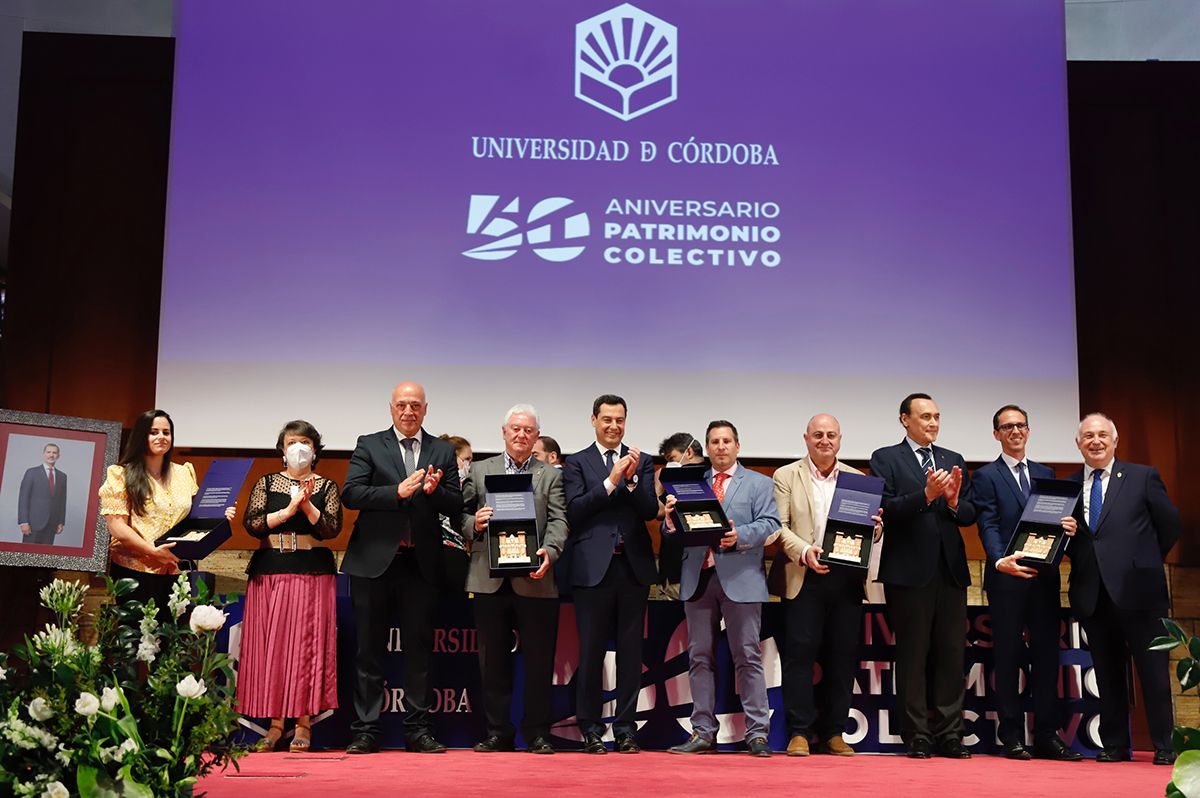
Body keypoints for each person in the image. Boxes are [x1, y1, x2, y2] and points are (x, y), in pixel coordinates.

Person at [340, 382, 463, 755]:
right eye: (401, 405)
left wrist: (433, 492)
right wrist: (398, 492)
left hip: (421, 563)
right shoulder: (370, 444)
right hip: (374, 562)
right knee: (368, 651)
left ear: (425, 410)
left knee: (419, 651)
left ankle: (418, 730)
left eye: (415, 406)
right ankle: (366, 730)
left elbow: (456, 503)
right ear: (391, 409)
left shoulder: (441, 450)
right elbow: (351, 493)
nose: (408, 412)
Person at [1067, 413, 1180, 765]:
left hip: (1139, 592)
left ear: (1115, 441)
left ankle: (1165, 745)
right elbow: (1082, 543)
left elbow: (1169, 524)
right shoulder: (1069, 486)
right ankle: (1115, 744)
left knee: (1153, 674)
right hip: (1093, 593)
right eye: (1088, 436)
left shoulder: (1142, 476)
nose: (1096, 441)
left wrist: (1144, 560)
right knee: (1107, 673)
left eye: (1103, 435)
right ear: (1078, 444)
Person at [869, 393, 976, 759]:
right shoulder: (886, 458)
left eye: (936, 417)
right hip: (909, 573)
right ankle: (916, 734)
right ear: (905, 420)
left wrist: (953, 502)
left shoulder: (953, 459)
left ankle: (950, 734)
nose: (932, 423)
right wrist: (927, 495)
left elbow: (969, 513)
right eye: (925, 416)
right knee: (913, 656)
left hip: (949, 572)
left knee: (951, 654)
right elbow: (885, 508)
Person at [972, 405, 1081, 761]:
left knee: (1047, 658)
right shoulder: (986, 476)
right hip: (1006, 578)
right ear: (996, 435)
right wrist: (998, 559)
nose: (1015, 431)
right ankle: (1013, 736)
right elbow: (987, 522)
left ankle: (1048, 735)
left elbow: (1053, 524)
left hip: (1044, 578)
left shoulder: (1045, 473)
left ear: (1028, 431)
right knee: (1007, 657)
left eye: (1020, 425)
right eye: (1007, 427)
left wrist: (1067, 531)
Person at [664, 421, 779, 757]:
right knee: (699, 657)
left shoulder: (759, 483)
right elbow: (673, 529)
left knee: (748, 656)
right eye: (714, 442)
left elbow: (771, 524)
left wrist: (739, 535)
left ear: (738, 446)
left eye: (726, 441)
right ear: (706, 447)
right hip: (698, 577)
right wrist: (670, 520)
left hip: (741, 578)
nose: (720, 447)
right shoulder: (689, 483)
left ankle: (757, 734)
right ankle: (702, 732)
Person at [772, 414, 882, 757]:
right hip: (802, 576)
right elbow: (778, 526)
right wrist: (805, 551)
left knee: (841, 658)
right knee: (799, 657)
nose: (824, 440)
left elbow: (867, 530)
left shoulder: (857, 479)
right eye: (817, 434)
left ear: (840, 439)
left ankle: (834, 732)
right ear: (806, 438)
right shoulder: (786, 475)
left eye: (831, 435)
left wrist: (874, 530)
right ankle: (800, 732)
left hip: (846, 580)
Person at [462, 404, 568, 754]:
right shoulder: (479, 471)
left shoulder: (549, 475)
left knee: (539, 660)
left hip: (535, 577)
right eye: (515, 429)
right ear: (504, 432)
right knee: (492, 662)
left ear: (537, 436)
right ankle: (498, 732)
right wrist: (473, 524)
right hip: (488, 579)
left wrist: (550, 551)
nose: (521, 435)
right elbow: (458, 515)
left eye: (528, 430)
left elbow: (559, 521)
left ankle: (538, 733)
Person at [238, 420, 343, 753]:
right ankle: (274, 724)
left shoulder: (326, 486)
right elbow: (252, 525)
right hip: (271, 570)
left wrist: (307, 503)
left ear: (315, 450)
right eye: (292, 442)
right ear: (282, 450)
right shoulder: (267, 483)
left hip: (310, 571)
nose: (299, 447)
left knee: (305, 648)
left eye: (306, 442)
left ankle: (303, 722)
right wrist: (287, 509)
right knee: (274, 649)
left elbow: (332, 529)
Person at [562, 394, 658, 753]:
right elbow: (574, 511)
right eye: (607, 420)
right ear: (593, 420)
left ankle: (626, 728)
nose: (614, 426)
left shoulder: (642, 461)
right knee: (591, 652)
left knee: (632, 654)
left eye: (620, 420)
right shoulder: (577, 463)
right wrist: (610, 482)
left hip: (632, 568)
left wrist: (631, 481)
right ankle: (589, 726)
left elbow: (650, 510)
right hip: (592, 570)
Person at [98, 409, 236, 616]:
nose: (161, 437)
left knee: (170, 637)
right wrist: (152, 551)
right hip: (135, 569)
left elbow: (194, 518)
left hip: (174, 568)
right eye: (154, 432)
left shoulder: (184, 472)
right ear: (141, 436)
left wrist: (218, 515)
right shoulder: (121, 474)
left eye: (166, 432)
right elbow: (116, 526)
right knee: (139, 639)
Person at [655, 432, 704, 598]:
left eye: (672, 458)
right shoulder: (710, 476)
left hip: (683, 571)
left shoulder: (696, 479)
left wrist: (658, 486)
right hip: (673, 569)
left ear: (688, 453)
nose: (669, 464)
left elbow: (659, 511)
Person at [18, 443, 67, 544]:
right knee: (28, 555)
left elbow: (62, 501)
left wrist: (61, 522)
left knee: (45, 557)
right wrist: (24, 522)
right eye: (48, 452)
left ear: (58, 456)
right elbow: (23, 498)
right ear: (44, 454)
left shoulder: (62, 476)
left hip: (52, 524)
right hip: (33, 524)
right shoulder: (31, 472)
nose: (51, 455)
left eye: (54, 452)